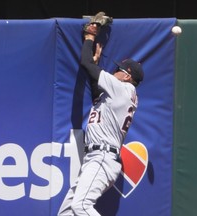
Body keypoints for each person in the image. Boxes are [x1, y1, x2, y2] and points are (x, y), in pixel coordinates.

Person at [58, 21, 144, 216]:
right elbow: (97, 93)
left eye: (118, 70)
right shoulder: (119, 93)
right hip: (96, 158)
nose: (114, 72)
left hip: (103, 157)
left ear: (127, 76)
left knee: (80, 207)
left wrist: (89, 38)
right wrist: (95, 66)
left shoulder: (123, 89)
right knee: (66, 213)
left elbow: (85, 64)